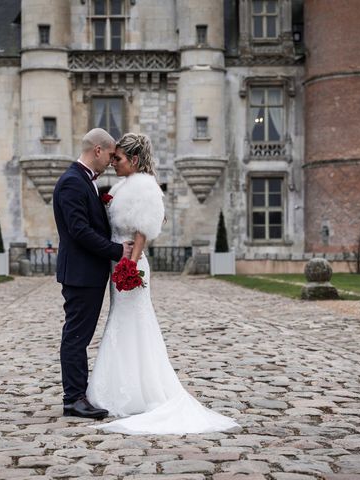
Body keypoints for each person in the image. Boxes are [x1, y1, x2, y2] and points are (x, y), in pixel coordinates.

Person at [86, 133, 239, 435]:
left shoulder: (144, 188)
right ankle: (124, 387)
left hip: (131, 264)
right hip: (119, 261)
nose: (113, 163)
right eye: (113, 158)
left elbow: (142, 230)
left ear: (135, 161)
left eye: (118, 159)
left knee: (130, 323)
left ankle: (135, 393)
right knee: (121, 322)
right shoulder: (123, 186)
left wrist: (130, 265)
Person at [52, 128, 134, 419]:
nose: (112, 161)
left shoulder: (83, 181)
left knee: (79, 335)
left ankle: (78, 394)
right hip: (80, 273)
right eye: (111, 155)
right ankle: (73, 399)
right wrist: (117, 251)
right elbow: (79, 231)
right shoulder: (73, 182)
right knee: (76, 336)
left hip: (86, 273)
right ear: (97, 150)